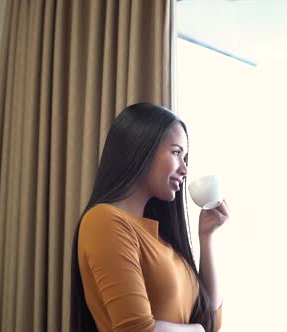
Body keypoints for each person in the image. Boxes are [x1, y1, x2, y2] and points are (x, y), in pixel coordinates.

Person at [70, 102, 228, 332]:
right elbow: (136, 329)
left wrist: (207, 236)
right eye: (176, 152)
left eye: (185, 157)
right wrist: (198, 331)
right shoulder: (103, 221)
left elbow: (211, 322)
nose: (184, 169)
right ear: (141, 148)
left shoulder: (164, 241)